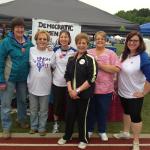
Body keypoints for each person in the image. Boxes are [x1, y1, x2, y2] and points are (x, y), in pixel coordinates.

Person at [57, 33, 97, 149]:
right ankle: (67, 136)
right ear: (76, 44)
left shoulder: (90, 59)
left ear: (87, 44)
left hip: (83, 95)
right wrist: (70, 90)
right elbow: (67, 75)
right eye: (79, 43)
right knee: (69, 115)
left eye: (83, 43)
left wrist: (77, 91)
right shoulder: (71, 58)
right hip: (70, 94)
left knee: (82, 117)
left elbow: (92, 78)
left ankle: (83, 139)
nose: (81, 45)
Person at [113, 31, 150, 150]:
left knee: (135, 117)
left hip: (135, 95)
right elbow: (119, 70)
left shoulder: (143, 57)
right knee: (126, 112)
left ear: (140, 43)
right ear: (126, 41)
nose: (132, 43)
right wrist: (116, 84)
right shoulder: (124, 54)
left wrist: (143, 92)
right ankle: (125, 133)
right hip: (123, 91)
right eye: (130, 40)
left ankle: (136, 141)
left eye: (135, 41)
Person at [0, 17, 33, 139]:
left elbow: (37, 53)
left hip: (23, 79)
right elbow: (0, 62)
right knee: (6, 104)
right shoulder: (5, 42)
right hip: (9, 78)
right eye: (17, 27)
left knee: (23, 101)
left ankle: (21, 119)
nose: (20, 29)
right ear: (13, 29)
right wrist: (1, 80)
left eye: (22, 27)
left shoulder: (29, 43)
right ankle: (6, 127)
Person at [87, 31, 121, 141]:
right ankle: (90, 129)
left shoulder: (111, 53)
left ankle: (102, 130)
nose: (100, 41)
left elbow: (116, 69)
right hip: (90, 88)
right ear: (94, 40)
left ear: (105, 41)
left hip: (106, 89)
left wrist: (99, 65)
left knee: (103, 110)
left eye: (102, 39)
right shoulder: (88, 52)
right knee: (90, 110)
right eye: (98, 39)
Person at [27, 30, 55, 136]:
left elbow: (55, 68)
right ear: (36, 40)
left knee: (43, 110)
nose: (42, 41)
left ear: (48, 41)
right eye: (40, 39)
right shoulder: (30, 50)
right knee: (33, 109)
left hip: (45, 86)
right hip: (32, 85)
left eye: (44, 39)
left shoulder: (51, 53)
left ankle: (42, 127)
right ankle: (33, 126)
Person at [52, 30, 76, 133]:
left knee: (69, 106)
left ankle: (69, 124)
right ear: (59, 39)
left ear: (69, 39)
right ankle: (56, 124)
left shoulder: (74, 52)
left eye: (66, 37)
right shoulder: (54, 51)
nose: (64, 39)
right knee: (57, 105)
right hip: (57, 83)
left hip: (69, 84)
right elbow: (51, 66)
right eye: (62, 37)